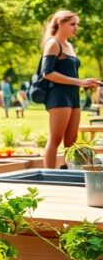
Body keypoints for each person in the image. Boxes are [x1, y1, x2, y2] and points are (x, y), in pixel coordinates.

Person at [40, 10, 101, 168]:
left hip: (72, 96)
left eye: (77, 24)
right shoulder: (53, 43)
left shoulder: (69, 45)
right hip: (58, 96)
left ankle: (68, 172)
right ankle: (50, 175)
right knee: (55, 139)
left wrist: (86, 83)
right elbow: (47, 73)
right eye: (72, 24)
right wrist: (79, 82)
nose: (76, 28)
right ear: (60, 24)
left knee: (71, 141)